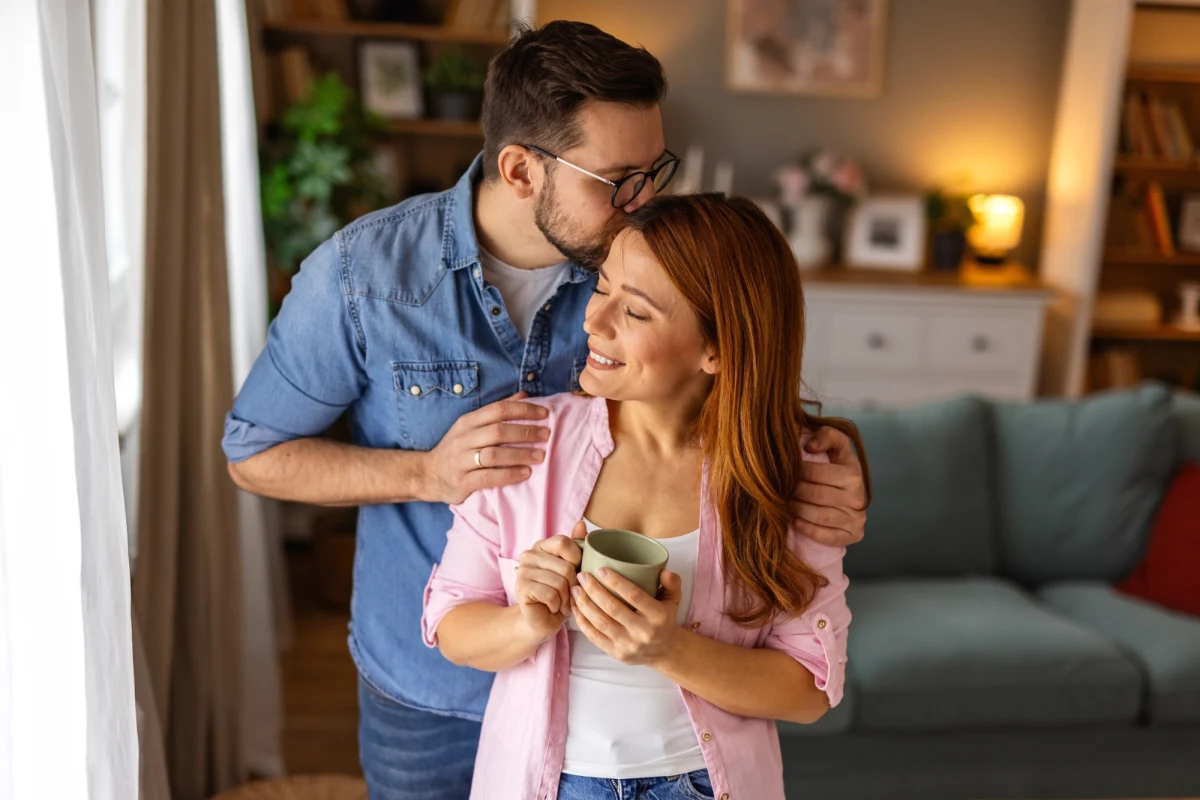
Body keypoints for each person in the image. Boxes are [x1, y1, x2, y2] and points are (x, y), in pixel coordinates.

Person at [223, 21, 868, 799]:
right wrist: (429, 474)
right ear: (522, 170)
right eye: (617, 178)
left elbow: (733, 369)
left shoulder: (629, 265)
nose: (645, 199)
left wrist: (831, 449)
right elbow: (252, 454)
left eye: (653, 170)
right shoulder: (364, 276)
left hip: (623, 722)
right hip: (428, 681)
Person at [424, 193, 866, 800]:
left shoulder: (792, 475)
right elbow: (451, 623)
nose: (593, 322)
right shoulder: (525, 442)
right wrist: (525, 622)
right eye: (602, 288)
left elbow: (809, 688)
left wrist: (668, 648)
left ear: (718, 349)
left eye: (635, 312)